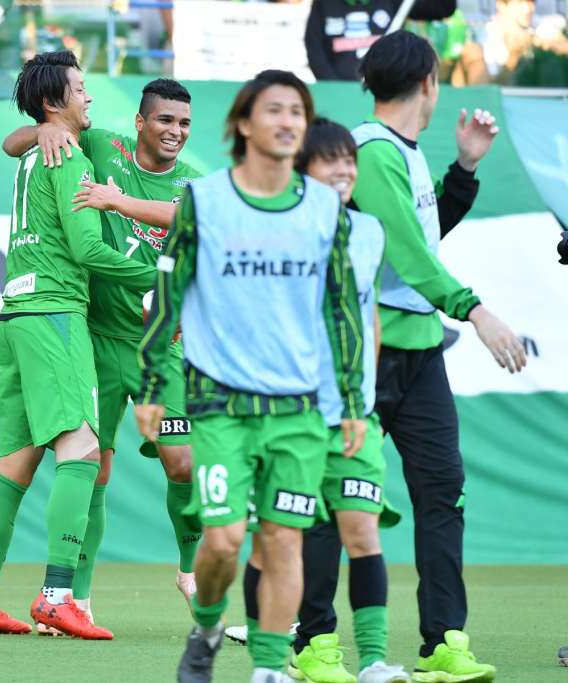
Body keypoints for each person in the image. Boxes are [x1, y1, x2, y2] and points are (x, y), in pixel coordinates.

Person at [136, 69, 366, 683]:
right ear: (243, 123)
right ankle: (208, 625)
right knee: (224, 541)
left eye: (298, 111)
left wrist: (350, 400)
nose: (289, 121)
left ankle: (267, 670)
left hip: (297, 412)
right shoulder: (203, 201)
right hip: (220, 408)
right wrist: (156, 387)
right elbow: (168, 295)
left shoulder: (324, 208)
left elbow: (340, 308)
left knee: (284, 541)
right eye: (274, 110)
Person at [0, 49, 154, 640]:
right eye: (81, 88)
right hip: (56, 314)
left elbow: (11, 144)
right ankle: (56, 594)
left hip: (15, 316)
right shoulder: (66, 153)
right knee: (84, 453)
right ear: (54, 103)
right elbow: (90, 251)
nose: (89, 97)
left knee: (15, 464)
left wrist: (37, 127)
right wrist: (167, 280)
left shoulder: (36, 154)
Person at [350, 30, 526, 680]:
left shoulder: (405, 152)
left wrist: (466, 167)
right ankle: (307, 637)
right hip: (365, 350)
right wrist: (475, 308)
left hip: (419, 350)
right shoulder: (370, 151)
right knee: (337, 496)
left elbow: (422, 236)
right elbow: (407, 253)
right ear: (428, 82)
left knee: (441, 493)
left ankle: (445, 640)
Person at [0, 78, 202, 628]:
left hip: (164, 348)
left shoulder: (195, 185)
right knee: (97, 468)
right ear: (140, 123)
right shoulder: (101, 146)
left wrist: (119, 202)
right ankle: (78, 597)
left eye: (184, 123)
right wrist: (42, 128)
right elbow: (12, 145)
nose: (175, 132)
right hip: (100, 340)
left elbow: (198, 227)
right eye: (165, 121)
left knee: (181, 459)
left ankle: (190, 570)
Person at [242, 118, 410, 683]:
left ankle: (376, 662)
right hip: (288, 416)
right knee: (276, 543)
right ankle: (269, 666)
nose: (343, 170)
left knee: (361, 532)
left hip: (355, 419)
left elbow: (371, 316)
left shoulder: (370, 232)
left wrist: (365, 400)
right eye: (330, 160)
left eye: (349, 161)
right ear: (302, 168)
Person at [304, 0, 456, 81]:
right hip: (339, 93)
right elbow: (314, 48)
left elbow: (443, 7)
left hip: (387, 92)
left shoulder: (394, 1)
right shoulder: (323, 3)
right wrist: (336, 86)